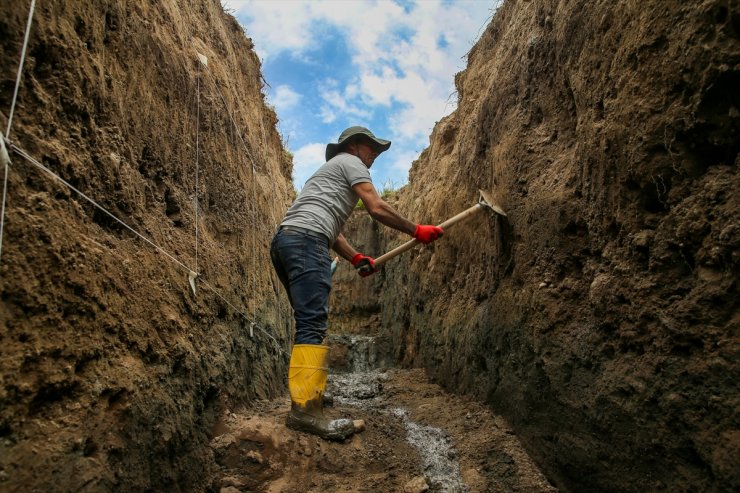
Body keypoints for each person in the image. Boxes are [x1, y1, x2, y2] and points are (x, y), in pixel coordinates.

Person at [270, 126, 444, 441]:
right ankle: (305, 412)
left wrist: (355, 258)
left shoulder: (324, 177)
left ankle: (312, 393)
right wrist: (416, 229)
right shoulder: (352, 163)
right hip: (308, 242)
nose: (374, 154)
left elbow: (332, 231)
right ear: (353, 146)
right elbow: (376, 207)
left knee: (309, 320)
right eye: (371, 147)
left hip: (287, 241)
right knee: (312, 322)